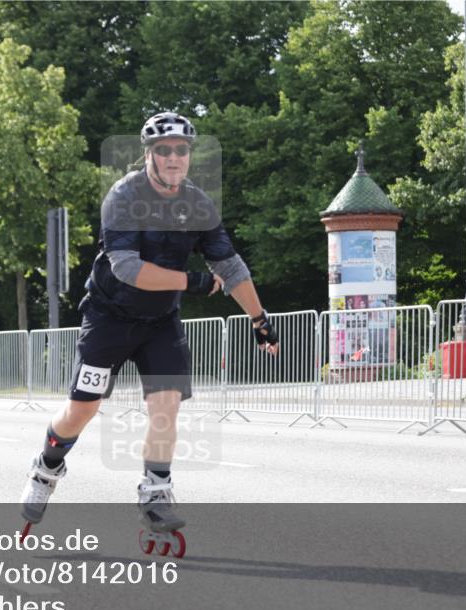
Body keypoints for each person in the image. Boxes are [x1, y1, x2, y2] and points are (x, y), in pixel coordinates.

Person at [20, 112, 279, 539]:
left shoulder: (197, 203)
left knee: (166, 405)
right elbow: (126, 268)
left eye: (182, 150)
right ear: (149, 155)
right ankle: (46, 468)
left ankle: (156, 491)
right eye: (165, 150)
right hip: (109, 318)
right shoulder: (123, 197)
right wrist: (192, 282)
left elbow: (229, 265)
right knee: (82, 410)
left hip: (160, 321)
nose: (175, 157)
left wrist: (260, 319)